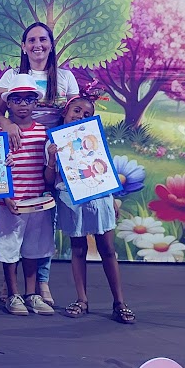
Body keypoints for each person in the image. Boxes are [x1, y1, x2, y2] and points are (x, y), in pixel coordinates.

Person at [0, 22, 79, 307]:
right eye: (31, 40)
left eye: (43, 39)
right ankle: (11, 286)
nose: (37, 45)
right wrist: (7, 125)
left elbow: (76, 114)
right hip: (18, 145)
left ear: (51, 44)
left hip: (50, 151)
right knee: (16, 223)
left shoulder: (65, 77)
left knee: (43, 221)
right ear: (23, 45)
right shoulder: (11, 75)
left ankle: (41, 282)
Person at [48, 95, 136, 324]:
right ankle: (82, 300)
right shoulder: (53, 143)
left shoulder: (94, 138)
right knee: (78, 249)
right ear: (65, 112)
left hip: (99, 198)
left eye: (87, 114)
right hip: (71, 200)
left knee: (107, 249)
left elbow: (104, 170)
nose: (80, 116)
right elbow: (48, 179)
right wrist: (51, 158)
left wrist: (112, 197)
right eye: (77, 110)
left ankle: (119, 302)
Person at [0, 75, 56, 318]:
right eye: (17, 99)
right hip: (13, 203)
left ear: (35, 103)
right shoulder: (0, 133)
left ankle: (32, 294)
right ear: (8, 103)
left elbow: (46, 173)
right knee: (9, 249)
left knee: (34, 249)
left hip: (37, 202)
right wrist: (6, 196)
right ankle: (13, 293)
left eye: (28, 99)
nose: (22, 104)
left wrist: (52, 160)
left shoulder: (44, 133)